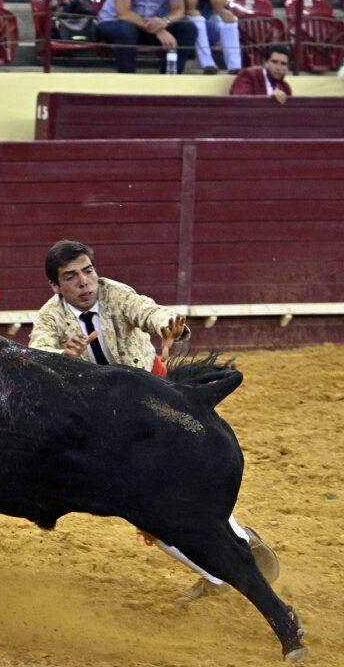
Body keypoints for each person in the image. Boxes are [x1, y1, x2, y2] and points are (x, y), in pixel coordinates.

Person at [27, 239, 280, 603]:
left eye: (88, 271)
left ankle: (232, 552)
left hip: (156, 399)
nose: (84, 282)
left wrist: (166, 325)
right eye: (71, 277)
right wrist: (61, 355)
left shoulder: (115, 294)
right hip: (109, 421)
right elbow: (37, 355)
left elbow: (147, 310)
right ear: (55, 285)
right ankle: (222, 567)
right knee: (146, 509)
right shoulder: (50, 317)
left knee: (182, 484)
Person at [97, 0, 198, 74]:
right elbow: (123, 13)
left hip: (151, 24)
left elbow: (178, 10)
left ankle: (168, 79)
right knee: (126, 29)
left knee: (188, 28)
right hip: (115, 22)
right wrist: (158, 30)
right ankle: (127, 79)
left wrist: (165, 21)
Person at [183, 0, 240, 75]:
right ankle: (208, 64)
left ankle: (234, 66)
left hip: (210, 21)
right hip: (189, 25)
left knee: (229, 16)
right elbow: (190, 6)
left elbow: (220, 6)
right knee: (194, 13)